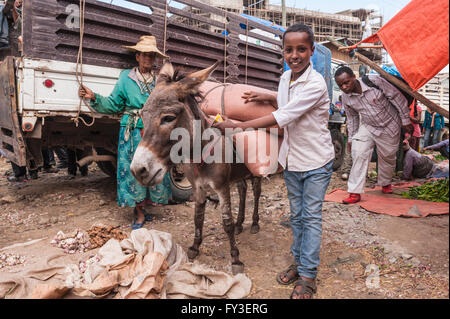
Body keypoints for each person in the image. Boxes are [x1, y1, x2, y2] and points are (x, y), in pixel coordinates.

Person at [215, 24, 334, 299]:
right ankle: (299, 262)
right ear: (283, 52)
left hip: (316, 162)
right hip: (292, 160)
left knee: (311, 218)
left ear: (312, 51)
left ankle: (308, 275)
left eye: (301, 49)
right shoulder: (285, 79)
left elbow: (283, 116)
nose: (295, 55)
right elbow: (283, 100)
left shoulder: (316, 84)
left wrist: (237, 126)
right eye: (289, 50)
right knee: (297, 217)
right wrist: (266, 95)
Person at [78, 36, 172, 230]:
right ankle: (137, 212)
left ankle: (146, 206)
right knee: (133, 171)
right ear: (137, 56)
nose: (148, 59)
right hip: (132, 130)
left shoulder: (159, 81)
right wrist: (93, 96)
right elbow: (114, 104)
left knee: (152, 167)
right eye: (144, 55)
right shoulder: (125, 77)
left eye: (152, 55)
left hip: (152, 132)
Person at [334, 66, 413, 204]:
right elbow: (352, 118)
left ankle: (385, 183)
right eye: (340, 85)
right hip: (369, 126)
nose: (344, 87)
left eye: (347, 82)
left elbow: (396, 97)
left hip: (390, 125)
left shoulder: (374, 81)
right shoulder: (346, 98)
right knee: (358, 152)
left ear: (354, 77)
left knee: (388, 156)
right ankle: (354, 192)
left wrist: (405, 120)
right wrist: (351, 138)